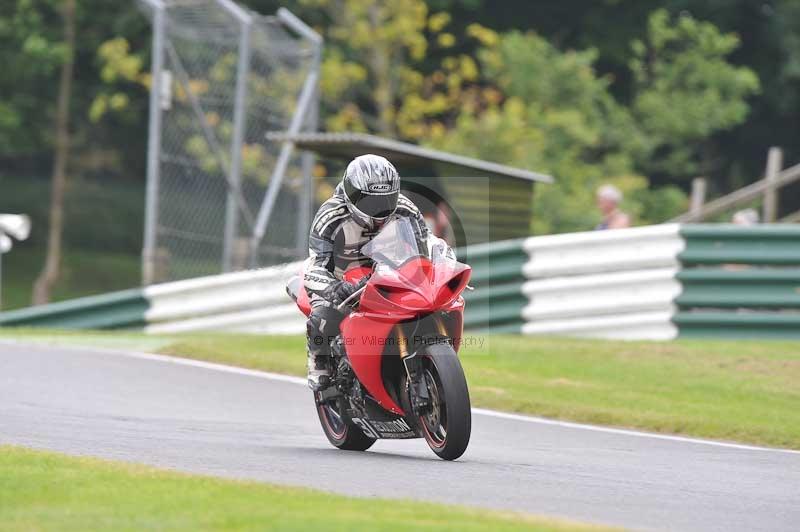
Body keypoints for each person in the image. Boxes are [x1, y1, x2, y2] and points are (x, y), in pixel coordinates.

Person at [304, 154, 429, 390]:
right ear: (352, 194)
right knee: (323, 313)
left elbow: (426, 246)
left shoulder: (406, 209)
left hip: (390, 271)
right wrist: (334, 288)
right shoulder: (330, 216)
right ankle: (318, 359)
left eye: (386, 199)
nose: (380, 209)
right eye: (371, 203)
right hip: (343, 277)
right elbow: (316, 264)